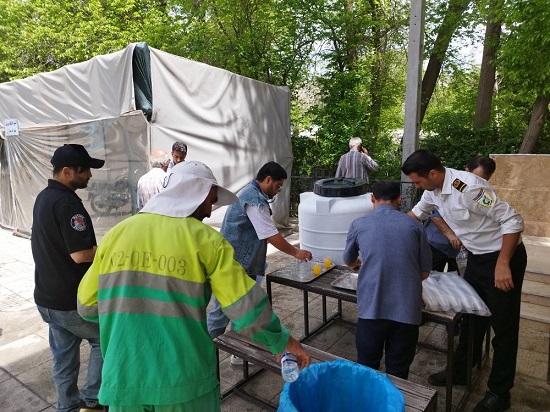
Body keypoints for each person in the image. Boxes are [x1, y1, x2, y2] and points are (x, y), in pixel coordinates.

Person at [77, 160, 311, 412]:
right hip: (184, 381)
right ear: (197, 192)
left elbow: (86, 306)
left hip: (124, 381)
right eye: (211, 201)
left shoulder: (115, 235)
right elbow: (246, 308)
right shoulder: (207, 240)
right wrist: (282, 342)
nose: (209, 212)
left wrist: (133, 317)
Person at [402, 149, 527, 412]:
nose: (417, 186)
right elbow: (415, 216)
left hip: (503, 257)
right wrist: (383, 227)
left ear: (432, 173)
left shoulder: (468, 187)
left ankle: (499, 393)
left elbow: (513, 221)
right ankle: (460, 370)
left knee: (503, 329)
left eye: (418, 181)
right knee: (470, 316)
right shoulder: (432, 191)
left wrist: (503, 263)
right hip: (477, 258)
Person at [207, 161, 312, 363]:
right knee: (221, 312)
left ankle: (239, 352)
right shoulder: (255, 200)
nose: (278, 190)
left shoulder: (249, 191)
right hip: (235, 264)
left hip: (238, 261)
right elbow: (269, 234)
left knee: (242, 311)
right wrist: (295, 252)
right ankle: (205, 353)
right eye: (278, 185)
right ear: (268, 179)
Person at [31, 144, 106, 412]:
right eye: (84, 170)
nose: (89, 175)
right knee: (104, 340)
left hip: (47, 299)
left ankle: (67, 406)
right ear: (66, 171)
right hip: (70, 301)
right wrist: (109, 250)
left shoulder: (43, 197)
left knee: (63, 357)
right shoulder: (68, 203)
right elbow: (81, 254)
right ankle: (93, 401)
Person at [342, 180, 431, 380]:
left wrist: (356, 264)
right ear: (399, 199)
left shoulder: (359, 224)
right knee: (398, 372)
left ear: (372, 198)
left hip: (371, 310)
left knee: (367, 367)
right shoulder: (415, 226)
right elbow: (425, 272)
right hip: (406, 312)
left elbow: (348, 259)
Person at [425, 155, 497, 272]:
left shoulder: (482, 191)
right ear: (467, 170)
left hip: (462, 249)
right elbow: (433, 213)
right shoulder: (448, 184)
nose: (479, 183)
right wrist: (450, 234)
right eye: (476, 177)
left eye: (484, 180)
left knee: (457, 280)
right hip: (438, 244)